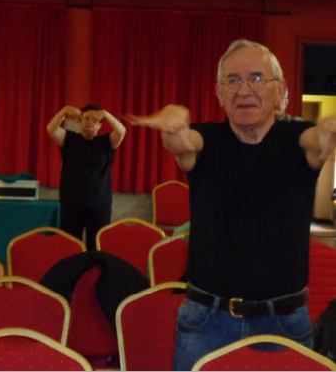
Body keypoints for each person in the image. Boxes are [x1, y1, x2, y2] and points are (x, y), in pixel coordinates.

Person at [131, 39, 336, 370]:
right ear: (219, 92)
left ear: (280, 89)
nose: (244, 90)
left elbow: (317, 142)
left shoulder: (297, 138)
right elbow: (184, 145)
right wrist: (174, 128)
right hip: (206, 320)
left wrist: (327, 131)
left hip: (283, 321)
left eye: (256, 78)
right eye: (233, 80)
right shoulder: (207, 139)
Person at [47, 104, 125, 250]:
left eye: (95, 120)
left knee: (96, 247)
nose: (90, 122)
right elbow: (51, 129)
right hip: (71, 201)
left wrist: (105, 114)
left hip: (99, 203)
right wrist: (64, 112)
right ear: (80, 121)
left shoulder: (106, 142)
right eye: (87, 118)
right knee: (70, 246)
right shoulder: (70, 139)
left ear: (100, 125)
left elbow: (121, 131)